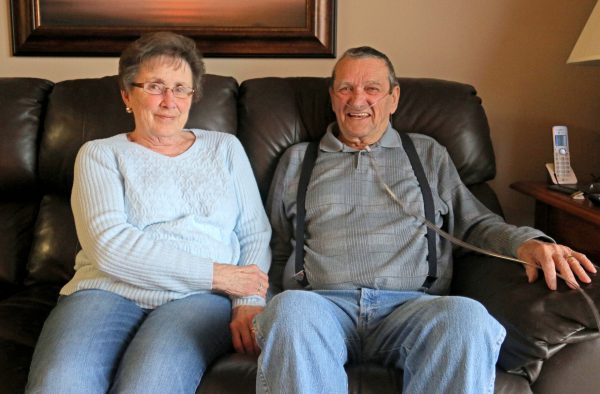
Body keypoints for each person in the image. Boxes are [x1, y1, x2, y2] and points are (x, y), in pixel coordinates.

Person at [253, 46, 596, 394]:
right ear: (332, 96)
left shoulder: (427, 153)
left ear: (393, 98)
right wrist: (259, 300)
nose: (357, 100)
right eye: (345, 88)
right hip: (320, 307)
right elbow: (275, 245)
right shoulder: (298, 160)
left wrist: (527, 243)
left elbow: (476, 223)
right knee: (289, 311)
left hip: (412, 308)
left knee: (467, 318)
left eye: (372, 88)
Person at [26, 32, 271, 394]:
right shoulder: (99, 154)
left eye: (181, 88)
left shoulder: (224, 148)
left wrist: (248, 301)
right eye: (155, 86)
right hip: (108, 291)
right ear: (127, 95)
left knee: (151, 385)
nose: (169, 101)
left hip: (199, 300)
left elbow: (254, 232)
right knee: (59, 383)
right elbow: (110, 245)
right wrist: (219, 275)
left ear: (192, 96)